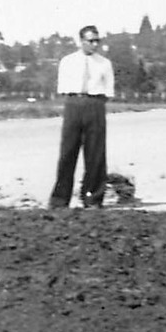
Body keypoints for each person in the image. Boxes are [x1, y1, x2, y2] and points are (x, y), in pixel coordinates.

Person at [50, 25, 115, 208]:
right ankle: (60, 200)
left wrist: (95, 102)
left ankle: (93, 198)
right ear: (81, 41)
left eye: (97, 41)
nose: (94, 44)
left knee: (95, 154)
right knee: (68, 152)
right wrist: (76, 101)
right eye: (90, 41)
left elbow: (109, 89)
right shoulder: (68, 61)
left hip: (95, 104)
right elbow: (63, 87)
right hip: (73, 104)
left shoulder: (104, 63)